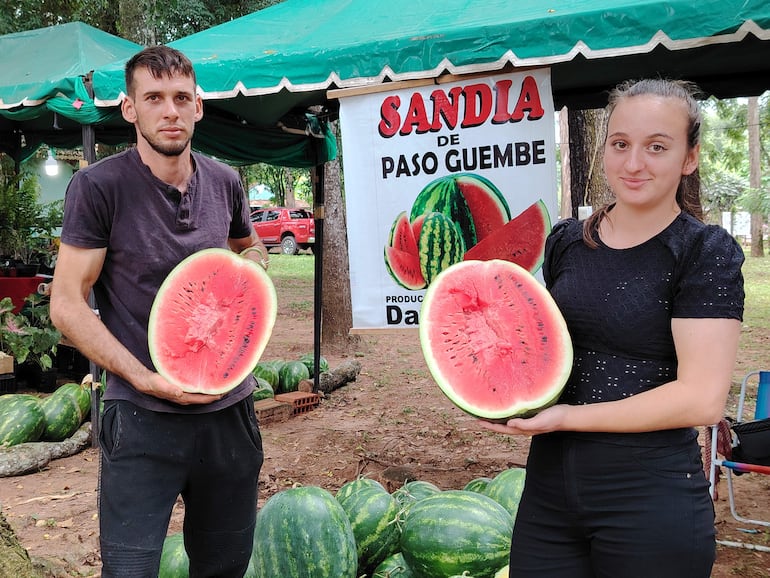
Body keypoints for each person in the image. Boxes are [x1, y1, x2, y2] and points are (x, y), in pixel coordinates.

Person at [480, 78, 745, 577]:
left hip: (650, 495)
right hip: (549, 492)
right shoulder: (566, 242)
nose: (633, 163)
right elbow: (545, 347)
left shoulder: (703, 252)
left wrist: (565, 419)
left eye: (657, 147)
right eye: (620, 144)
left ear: (689, 158)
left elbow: (702, 399)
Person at [50, 45, 269, 577]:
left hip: (229, 416)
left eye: (180, 98)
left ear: (198, 106)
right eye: (154, 98)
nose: (169, 111)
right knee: (130, 570)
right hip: (141, 418)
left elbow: (250, 247)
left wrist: (256, 267)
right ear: (130, 109)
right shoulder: (98, 187)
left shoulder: (224, 180)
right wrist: (145, 379)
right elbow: (66, 304)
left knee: (224, 567)